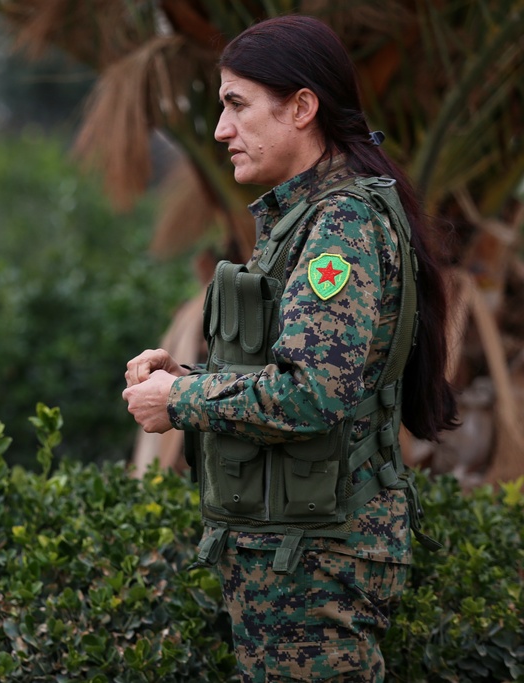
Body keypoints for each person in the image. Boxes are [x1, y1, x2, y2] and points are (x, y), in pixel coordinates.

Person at [122, 16, 458, 683]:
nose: (221, 130)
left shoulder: (341, 223)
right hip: (300, 555)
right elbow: (313, 372)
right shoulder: (311, 216)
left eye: (237, 105)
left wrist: (182, 399)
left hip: (317, 561)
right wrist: (182, 376)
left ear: (302, 107)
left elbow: (314, 393)